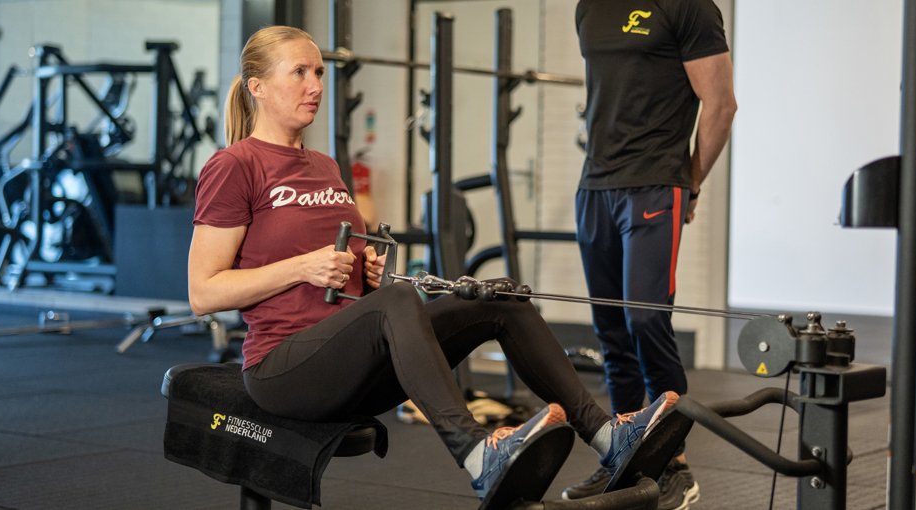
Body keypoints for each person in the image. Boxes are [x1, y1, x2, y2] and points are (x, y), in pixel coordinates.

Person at [187, 26, 681, 501]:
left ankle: (606, 438)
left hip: (352, 364)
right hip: (283, 371)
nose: (316, 85)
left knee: (501, 299)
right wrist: (302, 267)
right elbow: (203, 293)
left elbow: (341, 280)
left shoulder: (325, 165)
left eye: (318, 72)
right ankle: (479, 456)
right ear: (257, 86)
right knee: (399, 301)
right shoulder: (234, 166)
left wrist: (366, 276)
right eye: (299, 72)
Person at [564, 1, 736, 508]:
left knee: (646, 319)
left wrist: (691, 183)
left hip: (657, 182)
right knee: (611, 331)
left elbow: (721, 104)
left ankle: (672, 464)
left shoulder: (687, 6)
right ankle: (622, 458)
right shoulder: (589, 7)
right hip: (595, 185)